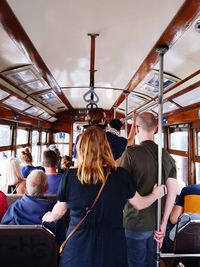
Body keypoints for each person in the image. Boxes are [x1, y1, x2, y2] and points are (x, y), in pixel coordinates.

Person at [42, 126, 166, 267]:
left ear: (81, 149)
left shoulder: (70, 177)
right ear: (106, 148)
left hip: (78, 247)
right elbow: (140, 204)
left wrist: (49, 216)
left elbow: (59, 211)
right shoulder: (121, 175)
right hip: (112, 246)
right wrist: (155, 194)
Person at [120, 112, 177, 267]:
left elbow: (121, 190)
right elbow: (172, 193)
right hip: (157, 226)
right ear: (155, 129)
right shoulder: (168, 157)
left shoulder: (129, 154)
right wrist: (164, 224)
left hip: (134, 223)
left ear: (137, 128)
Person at [1, 170, 65, 246]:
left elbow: (3, 233)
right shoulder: (56, 210)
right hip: (47, 255)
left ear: (26, 187)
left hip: (17, 253)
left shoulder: (15, 208)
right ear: (46, 188)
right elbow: (61, 239)